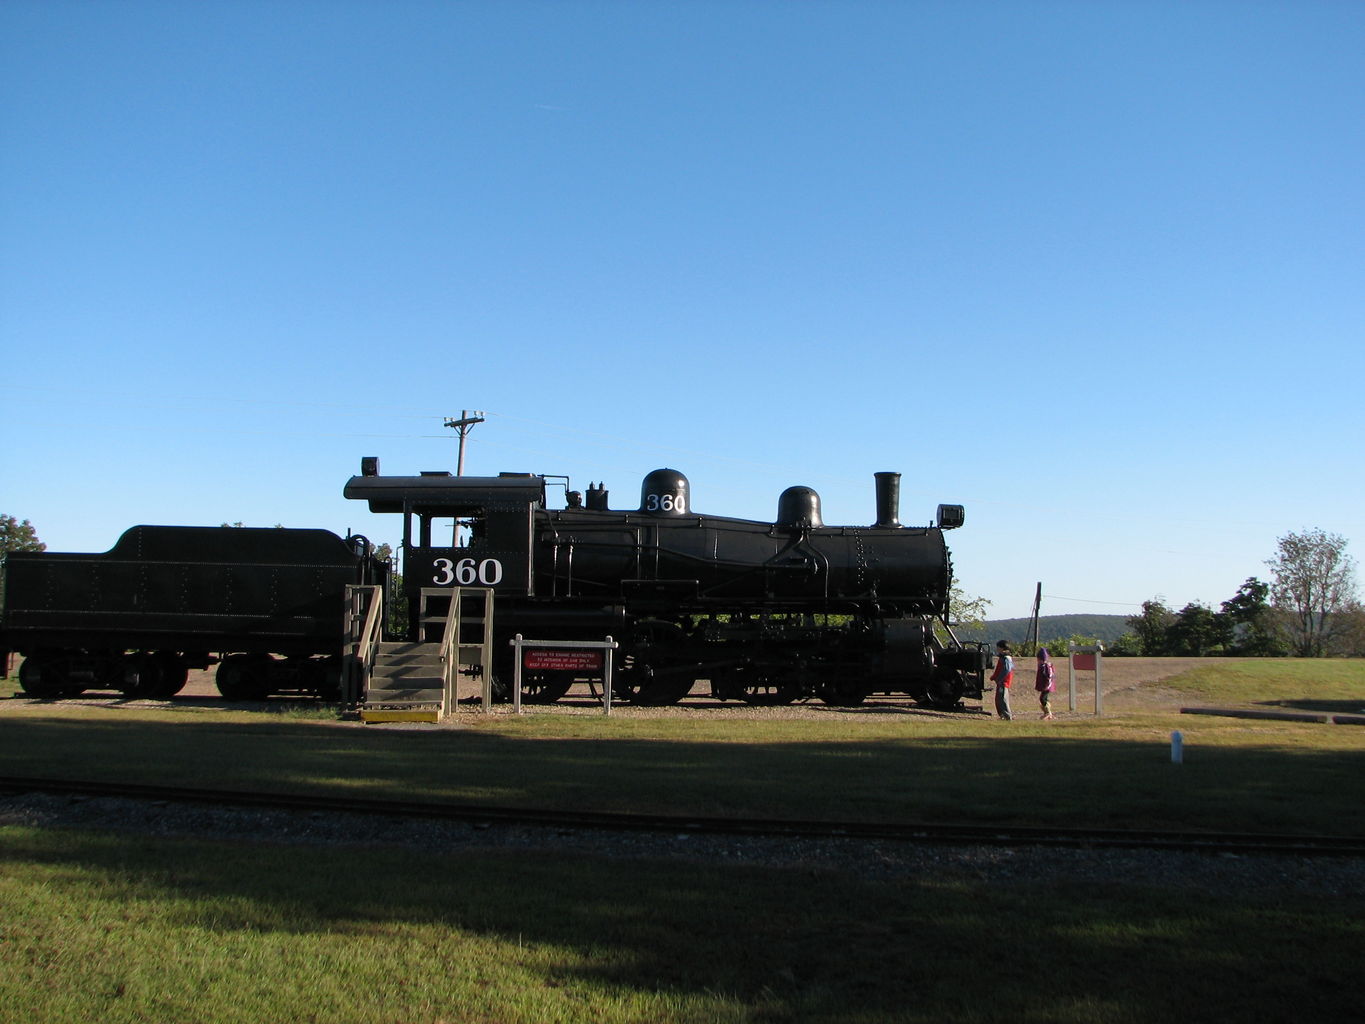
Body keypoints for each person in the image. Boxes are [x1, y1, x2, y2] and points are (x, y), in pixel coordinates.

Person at [990, 640, 1013, 720]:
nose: (997, 649)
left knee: (1002, 699)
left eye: (998, 647)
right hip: (1000, 682)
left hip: (1003, 682)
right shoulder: (1002, 658)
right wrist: (994, 677)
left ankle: (1007, 716)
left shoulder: (1007, 658)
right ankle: (1002, 715)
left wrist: (999, 678)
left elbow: (1006, 670)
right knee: (998, 699)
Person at [1035, 647, 1056, 720]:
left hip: (1047, 686)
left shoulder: (1046, 666)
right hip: (1044, 686)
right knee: (1044, 699)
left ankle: (1048, 712)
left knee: (1043, 699)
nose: (1038, 661)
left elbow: (1049, 676)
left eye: (1039, 659)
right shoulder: (1041, 666)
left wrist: (1047, 685)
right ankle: (1047, 712)